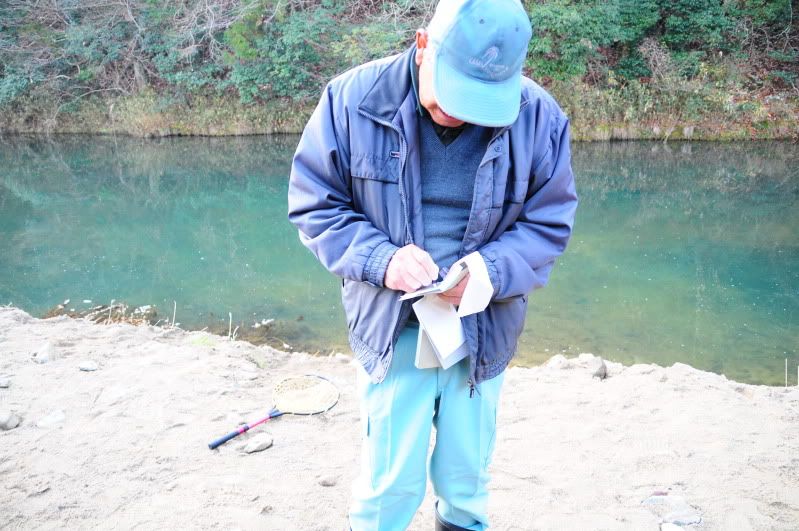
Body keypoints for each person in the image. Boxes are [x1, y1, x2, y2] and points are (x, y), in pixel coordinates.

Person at [287, 0, 577, 528]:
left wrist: (488, 273)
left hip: (483, 324)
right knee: (389, 486)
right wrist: (382, 260)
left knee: (466, 481)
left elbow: (548, 224)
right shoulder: (350, 100)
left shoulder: (539, 117)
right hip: (392, 322)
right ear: (423, 46)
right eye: (453, 94)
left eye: (481, 100)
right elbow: (315, 205)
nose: (461, 113)